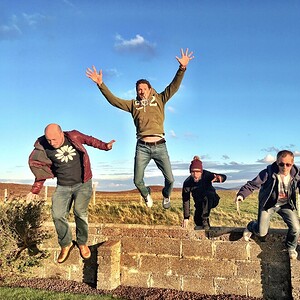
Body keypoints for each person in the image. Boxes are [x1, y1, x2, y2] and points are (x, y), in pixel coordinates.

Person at [86, 48, 194, 209]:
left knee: (170, 180)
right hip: (142, 147)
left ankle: (166, 195)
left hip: (160, 145)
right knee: (137, 180)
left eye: (144, 88)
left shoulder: (160, 99)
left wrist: (182, 68)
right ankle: (146, 194)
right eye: (139, 89)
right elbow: (114, 101)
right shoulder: (133, 104)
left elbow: (174, 86)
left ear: (150, 89)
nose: (141, 91)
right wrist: (101, 84)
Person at [27, 124, 115, 263]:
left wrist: (105, 146)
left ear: (62, 133)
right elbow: (40, 170)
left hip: (83, 183)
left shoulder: (73, 136)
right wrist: (35, 190)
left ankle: (82, 243)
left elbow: (90, 140)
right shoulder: (43, 146)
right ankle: (66, 244)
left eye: (54, 139)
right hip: (63, 186)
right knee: (57, 215)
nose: (52, 143)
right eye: (49, 140)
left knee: (80, 213)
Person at [235, 150, 300, 259]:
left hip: (286, 204)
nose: (284, 167)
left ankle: (291, 247)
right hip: (269, 204)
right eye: (281, 164)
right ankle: (251, 225)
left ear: (292, 163)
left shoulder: (298, 174)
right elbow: (253, 184)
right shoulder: (268, 172)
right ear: (277, 162)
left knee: (296, 228)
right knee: (261, 232)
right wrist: (242, 194)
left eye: (288, 164)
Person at [182, 156, 227, 230]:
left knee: (208, 195)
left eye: (197, 172)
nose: (195, 175)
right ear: (190, 172)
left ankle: (205, 219)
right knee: (197, 221)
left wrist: (220, 177)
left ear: (201, 172)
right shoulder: (187, 183)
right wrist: (186, 217)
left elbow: (223, 177)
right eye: (193, 172)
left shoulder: (207, 175)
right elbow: (186, 200)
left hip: (212, 200)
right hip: (199, 204)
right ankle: (205, 233)